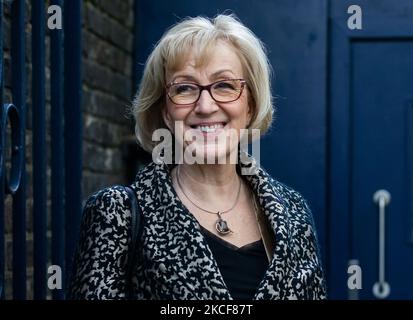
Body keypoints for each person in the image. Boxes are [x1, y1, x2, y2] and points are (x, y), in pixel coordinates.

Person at [68, 14, 326, 300]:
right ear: (166, 111)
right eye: (184, 88)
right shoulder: (118, 214)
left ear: (250, 106)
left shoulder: (294, 213)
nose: (205, 106)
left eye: (225, 85)